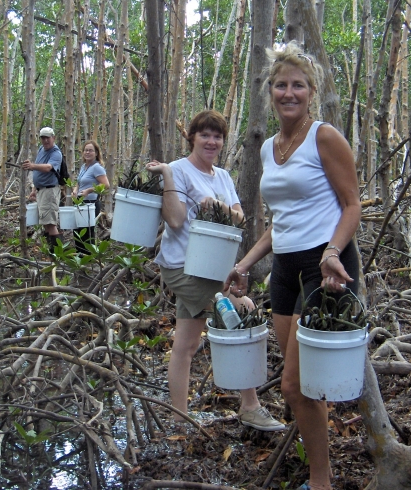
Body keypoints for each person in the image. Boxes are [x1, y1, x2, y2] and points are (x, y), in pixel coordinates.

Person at [225, 43, 361, 490]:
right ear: (270, 91)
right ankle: (317, 468)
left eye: (297, 85)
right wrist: (244, 263)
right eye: (281, 84)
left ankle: (321, 481)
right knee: (304, 384)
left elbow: (352, 206)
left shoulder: (325, 137)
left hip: (326, 267)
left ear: (311, 91)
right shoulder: (268, 148)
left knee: (292, 385)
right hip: (284, 269)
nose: (289, 92)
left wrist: (332, 253)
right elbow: (279, 223)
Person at [145, 110, 285, 432]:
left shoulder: (222, 177)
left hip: (212, 269)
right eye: (204, 135)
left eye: (217, 136)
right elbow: (176, 220)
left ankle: (179, 418)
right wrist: (167, 173)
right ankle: (250, 406)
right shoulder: (179, 170)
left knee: (186, 345)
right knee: (240, 312)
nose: (211, 141)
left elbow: (239, 218)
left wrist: (214, 204)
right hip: (182, 267)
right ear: (192, 137)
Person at [22, 127, 63, 252]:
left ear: (53, 138)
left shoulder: (56, 153)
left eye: (48, 138)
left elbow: (48, 168)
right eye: (43, 138)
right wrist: (35, 189)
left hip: (50, 192)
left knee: (51, 223)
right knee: (46, 223)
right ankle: (51, 253)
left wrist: (32, 166)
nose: (45, 141)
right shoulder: (41, 149)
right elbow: (39, 173)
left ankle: (58, 256)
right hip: (41, 191)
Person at [72, 140, 110, 252]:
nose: (88, 152)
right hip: (80, 202)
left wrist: (89, 190)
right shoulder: (84, 166)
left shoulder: (97, 167)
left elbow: (106, 185)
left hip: (91, 203)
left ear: (96, 153)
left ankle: (89, 258)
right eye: (86, 150)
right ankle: (79, 256)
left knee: (87, 232)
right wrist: (75, 190)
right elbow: (79, 183)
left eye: (91, 150)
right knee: (78, 230)